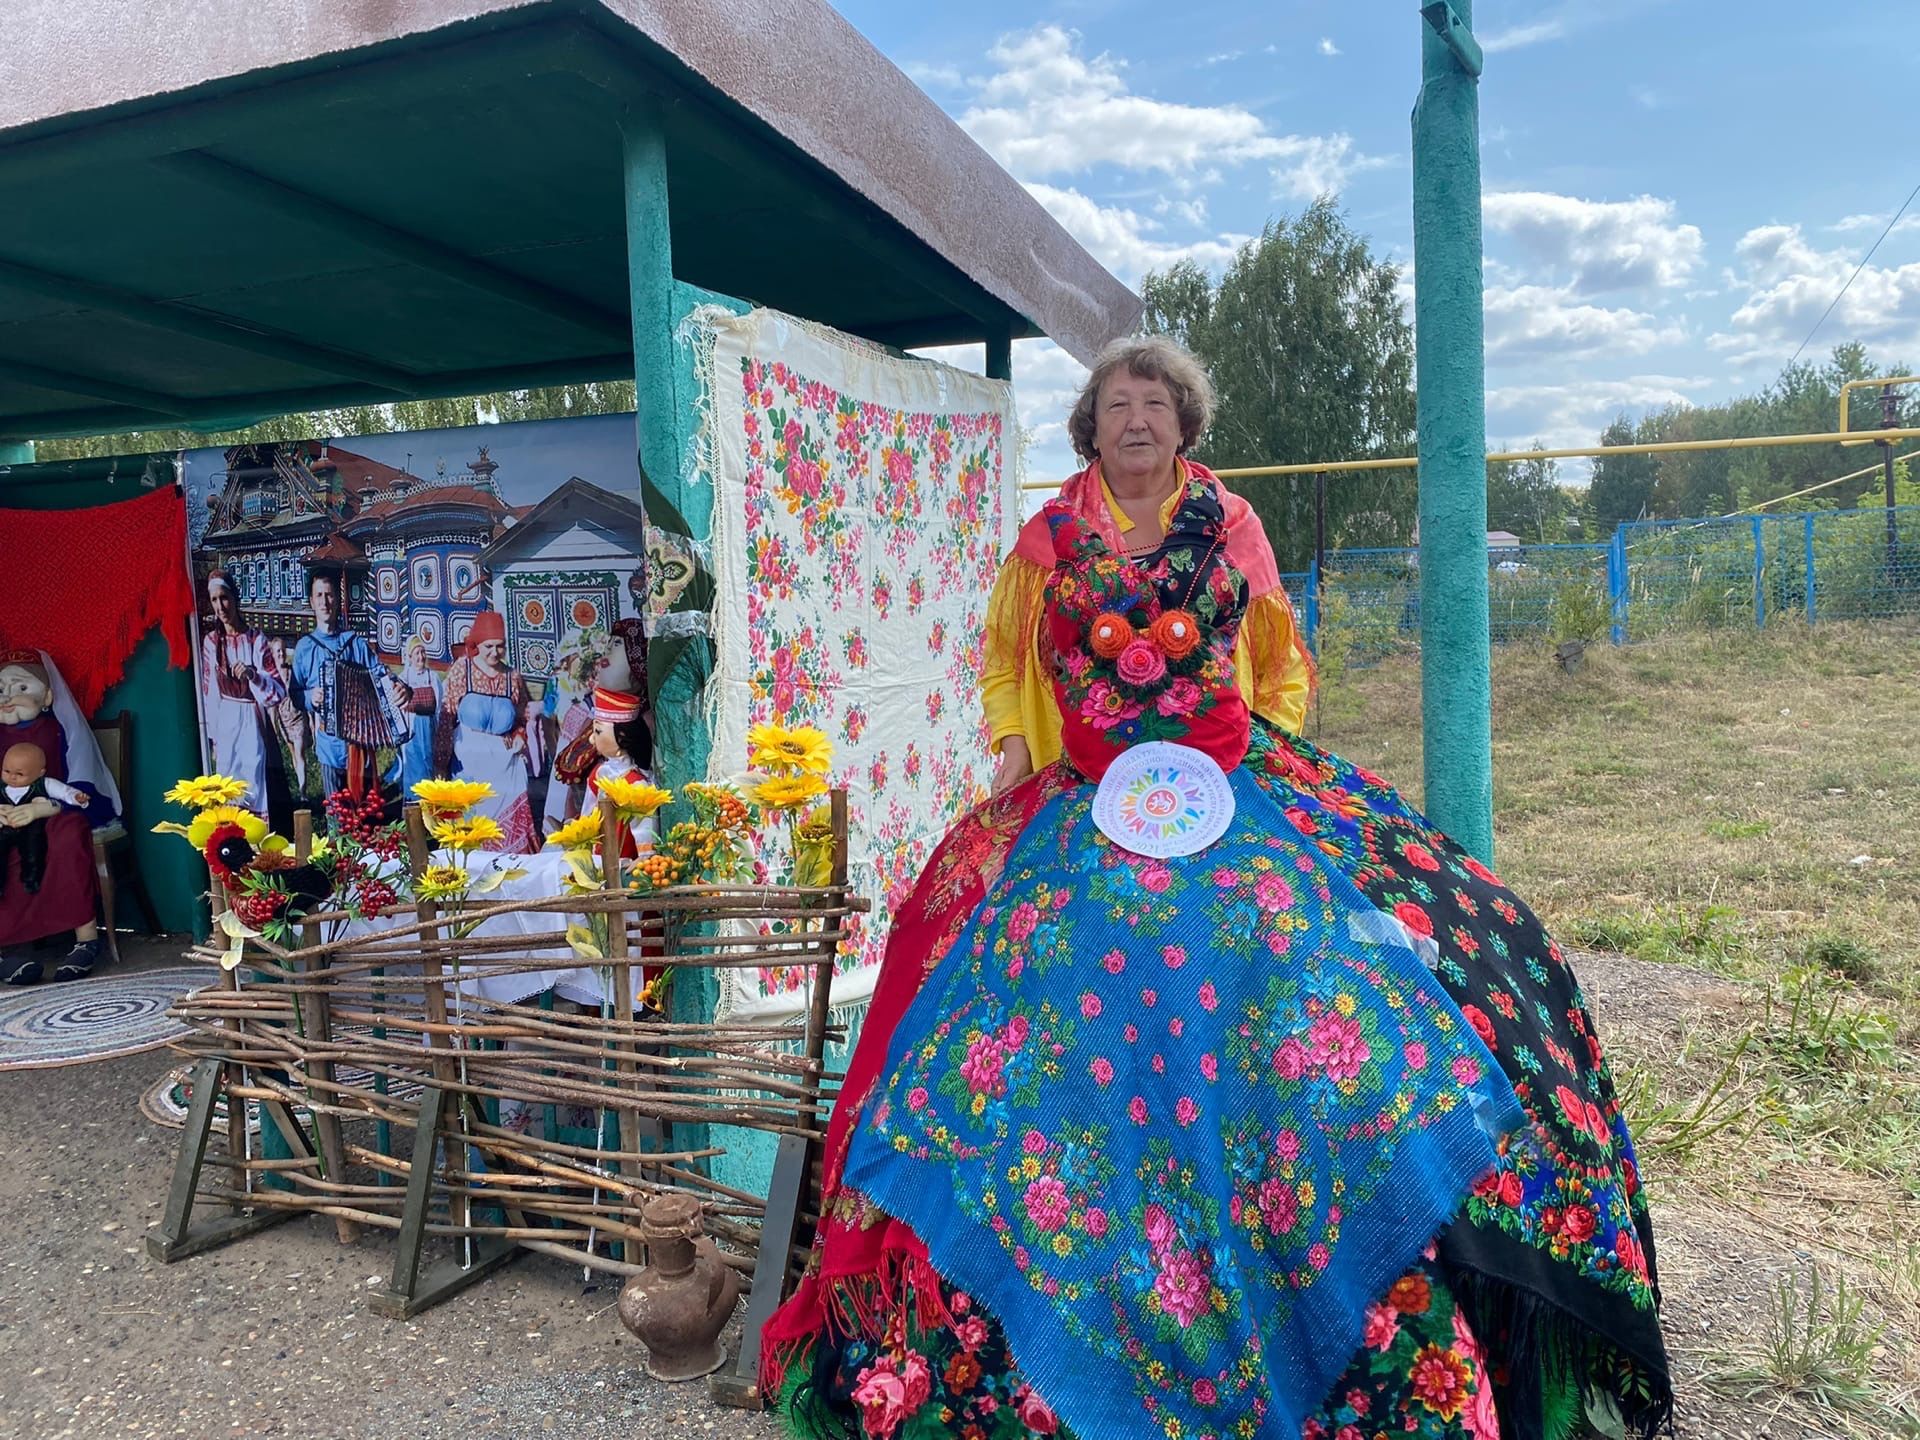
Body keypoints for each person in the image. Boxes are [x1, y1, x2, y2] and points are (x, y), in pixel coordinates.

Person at [761, 338, 1671, 1440]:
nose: (1134, 419)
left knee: (1449, 943)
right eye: (1114, 404)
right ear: (1088, 429)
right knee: (954, 952)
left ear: (1184, 425)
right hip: (1082, 799)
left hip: (1233, 782)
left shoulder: (1232, 525)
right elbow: (1007, 662)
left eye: (1155, 403)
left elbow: (1280, 657)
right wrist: (1011, 746)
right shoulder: (1044, 542)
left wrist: (1266, 768)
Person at [0, 650, 115, 984]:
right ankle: (9, 950)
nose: (7, 697)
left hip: (55, 811)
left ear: (47, 696)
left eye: (20, 687)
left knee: (68, 834)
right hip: (7, 814)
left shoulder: (62, 729)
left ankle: (85, 941)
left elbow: (80, 783)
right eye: (1, 690)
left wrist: (41, 807)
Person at [288, 570, 404, 801]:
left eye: (329, 595)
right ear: (311, 602)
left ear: (338, 600)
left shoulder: (354, 642)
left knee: (366, 810)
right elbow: (295, 694)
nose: (324, 601)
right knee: (336, 814)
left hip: (360, 742)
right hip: (328, 745)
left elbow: (381, 674)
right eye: (319, 595)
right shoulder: (304, 648)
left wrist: (398, 686)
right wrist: (311, 697)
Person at [435, 611, 538, 853]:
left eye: (500, 647)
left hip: (504, 764)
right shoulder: (463, 671)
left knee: (507, 824)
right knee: (473, 826)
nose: (495, 652)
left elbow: (522, 716)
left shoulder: (512, 677)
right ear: (477, 644)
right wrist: (440, 762)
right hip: (469, 762)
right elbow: (446, 717)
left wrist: (520, 737)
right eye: (489, 646)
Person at [198, 570, 288, 816]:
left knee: (253, 782)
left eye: (224, 598)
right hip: (226, 723)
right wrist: (213, 737)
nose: (220, 606)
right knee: (227, 784)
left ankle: (258, 844)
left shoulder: (255, 639)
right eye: (214, 600)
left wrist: (254, 676)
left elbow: (278, 691)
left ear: (235, 599)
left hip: (251, 722)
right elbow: (210, 693)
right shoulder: (212, 643)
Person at [0, 741, 85, 898]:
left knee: (34, 847)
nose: (12, 777)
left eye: (19, 774)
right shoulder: (2, 787)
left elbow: (64, 792)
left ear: (40, 773)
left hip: (31, 826)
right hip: (5, 825)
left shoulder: (44, 784)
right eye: (6, 771)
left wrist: (77, 797)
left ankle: (31, 878)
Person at [392, 634, 442, 796]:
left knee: (429, 762)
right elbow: (397, 707)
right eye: (417, 653)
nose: (420, 657)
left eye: (422, 652)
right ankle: (412, 802)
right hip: (411, 728)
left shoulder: (432, 677)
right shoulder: (403, 678)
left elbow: (440, 705)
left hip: (428, 727)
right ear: (410, 657)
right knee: (413, 764)